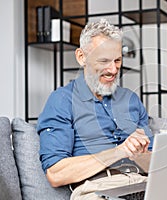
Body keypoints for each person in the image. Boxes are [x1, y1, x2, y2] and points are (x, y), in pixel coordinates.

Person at [37, 18, 153, 199]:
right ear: (81, 57)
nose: (113, 69)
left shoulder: (131, 100)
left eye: (117, 60)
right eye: (104, 61)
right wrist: (119, 152)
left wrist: (139, 154)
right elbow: (56, 174)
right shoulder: (62, 101)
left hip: (144, 185)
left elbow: (152, 163)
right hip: (99, 190)